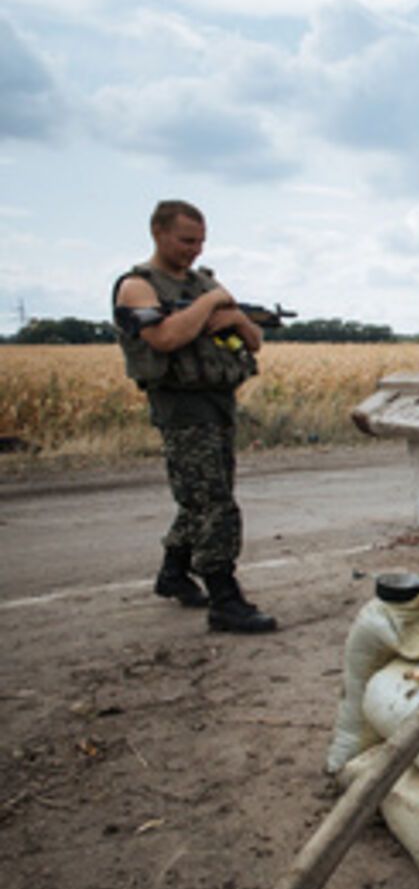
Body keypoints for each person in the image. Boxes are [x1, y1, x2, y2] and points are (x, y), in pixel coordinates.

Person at [112, 199, 276, 634]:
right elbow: (164, 337)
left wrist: (235, 315)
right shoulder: (138, 287)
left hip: (217, 402)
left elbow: (254, 340)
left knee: (202, 496)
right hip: (181, 407)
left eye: (201, 242)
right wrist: (210, 305)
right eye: (186, 241)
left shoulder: (203, 284)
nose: (194, 251)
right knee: (214, 503)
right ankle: (224, 599)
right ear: (158, 233)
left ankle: (173, 574)